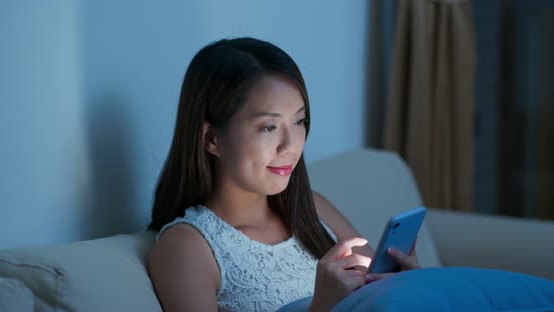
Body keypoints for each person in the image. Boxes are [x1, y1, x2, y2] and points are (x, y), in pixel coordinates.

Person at [146, 37, 420, 312]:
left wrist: (407, 286)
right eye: (268, 127)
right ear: (211, 138)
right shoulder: (186, 248)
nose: (291, 146)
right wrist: (321, 307)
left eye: (299, 121)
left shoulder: (313, 208)